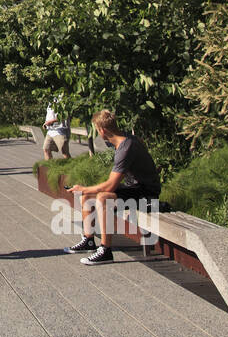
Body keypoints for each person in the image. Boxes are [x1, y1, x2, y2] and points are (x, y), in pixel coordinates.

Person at [63, 110, 161, 265]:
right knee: (88, 198)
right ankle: (88, 240)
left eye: (97, 129)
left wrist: (83, 188)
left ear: (102, 130)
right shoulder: (124, 141)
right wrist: (86, 191)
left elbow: (110, 185)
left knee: (103, 197)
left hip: (147, 193)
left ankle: (105, 250)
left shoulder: (125, 147)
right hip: (134, 188)